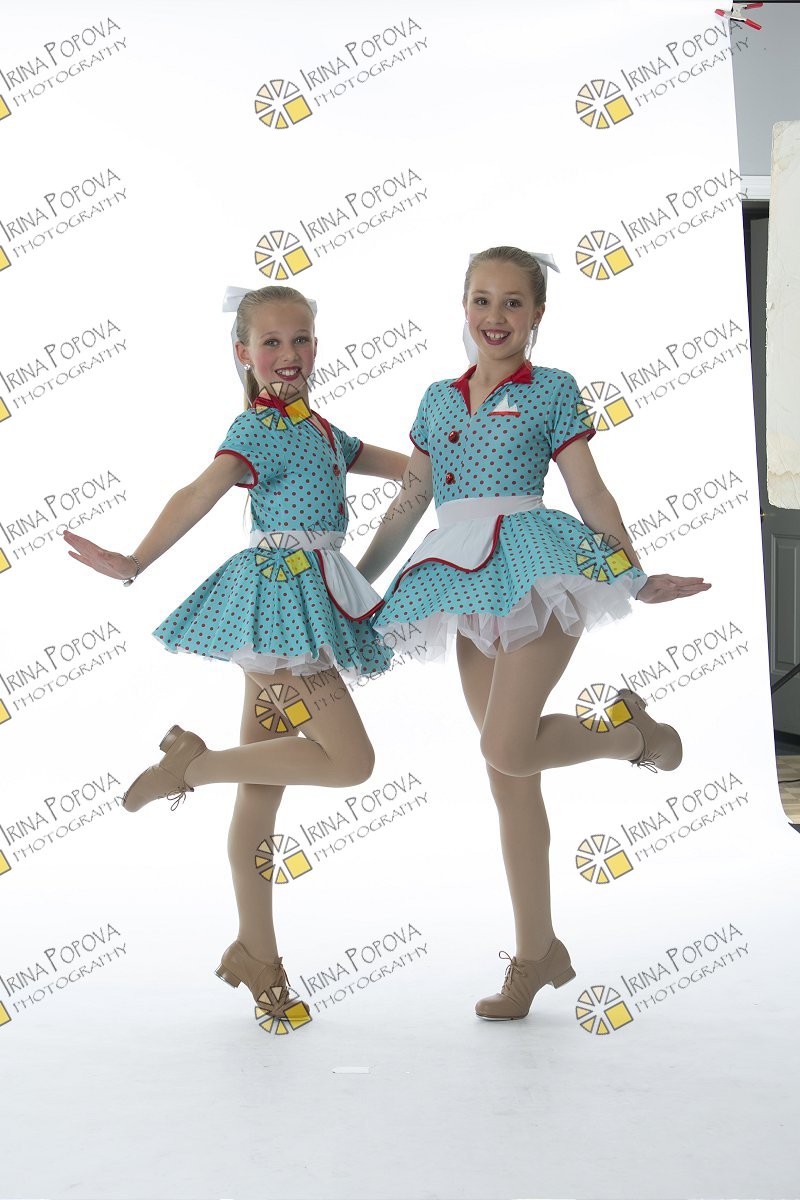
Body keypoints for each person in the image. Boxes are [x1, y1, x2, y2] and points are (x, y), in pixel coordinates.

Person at [355, 246, 711, 1021]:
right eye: (482, 300)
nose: (496, 316)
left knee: (507, 746)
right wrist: (360, 583)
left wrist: (634, 573)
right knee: (508, 777)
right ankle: (536, 953)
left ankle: (636, 738)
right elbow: (410, 501)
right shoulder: (437, 400)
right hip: (459, 577)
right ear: (464, 307)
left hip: (539, 567)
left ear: (538, 314)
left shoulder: (552, 390)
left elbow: (590, 491)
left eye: (513, 302)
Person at [63, 284, 408, 1028]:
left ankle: (257, 953)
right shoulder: (255, 429)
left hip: (308, 600)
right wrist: (134, 560)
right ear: (243, 353)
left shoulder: (325, 431)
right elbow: (200, 491)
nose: (289, 354)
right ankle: (190, 767)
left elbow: (416, 470)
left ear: (317, 345)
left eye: (301, 339)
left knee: (261, 792)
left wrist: (461, 444)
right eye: (272, 342)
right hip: (279, 606)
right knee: (351, 763)